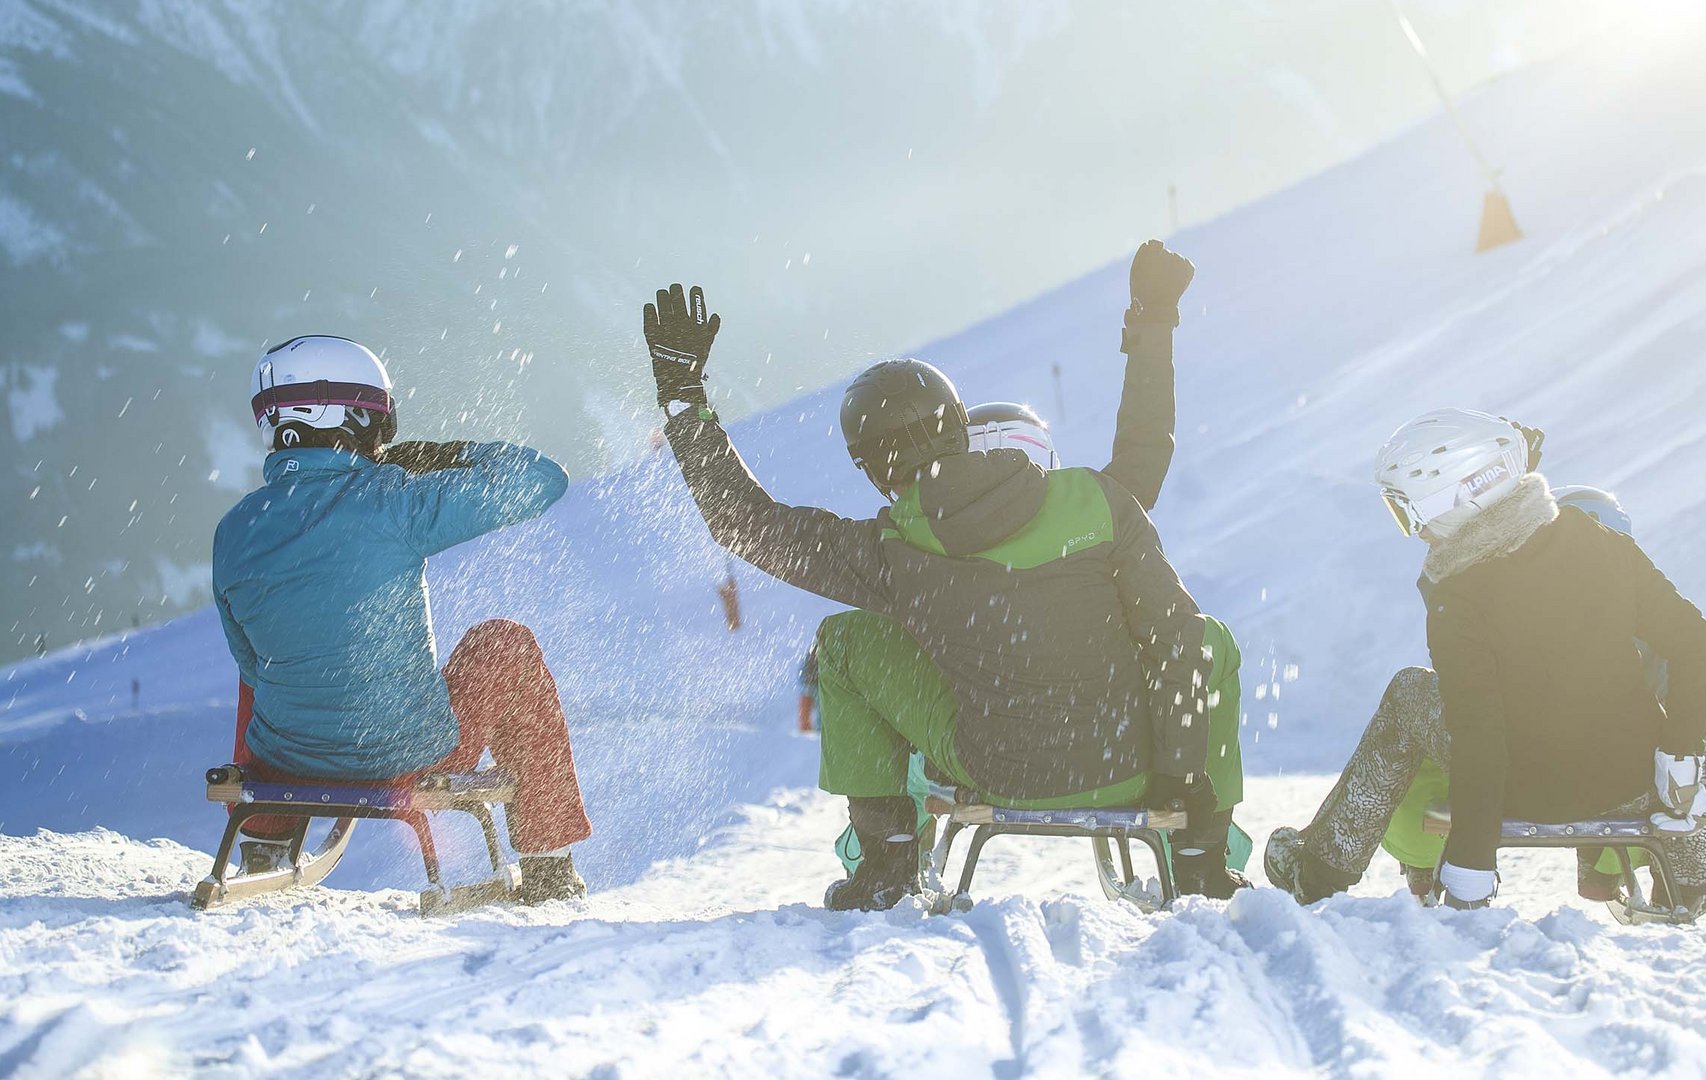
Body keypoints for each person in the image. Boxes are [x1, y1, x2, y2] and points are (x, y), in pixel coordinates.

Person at [648, 261, 1247, 910]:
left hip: (1003, 774)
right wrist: (1179, 778)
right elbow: (1175, 629)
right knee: (1205, 637)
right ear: (960, 429)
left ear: (874, 469)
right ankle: (1199, 855)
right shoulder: (1096, 501)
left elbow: (747, 525)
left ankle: (884, 863)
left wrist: (684, 398)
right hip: (1135, 767)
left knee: (846, 643)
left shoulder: (897, 550)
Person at [1263, 408, 1706, 915]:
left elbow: (1479, 732)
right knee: (1705, 702)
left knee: (1409, 691)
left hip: (1525, 792)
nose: (1414, 529)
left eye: (1408, 511)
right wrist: (1678, 758)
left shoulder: (1458, 594)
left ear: (1456, 499)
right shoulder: (1603, 544)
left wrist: (1470, 867)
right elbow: (1695, 643)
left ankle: (1318, 870)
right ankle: (1691, 880)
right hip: (1630, 783)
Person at [212, 335, 591, 903]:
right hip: (405, 755)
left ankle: (265, 846)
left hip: (286, 757)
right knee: (505, 645)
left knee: (268, 660)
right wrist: (443, 456)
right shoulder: (395, 500)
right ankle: (548, 864)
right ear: (353, 420)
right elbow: (542, 479)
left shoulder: (235, 530)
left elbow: (247, 658)